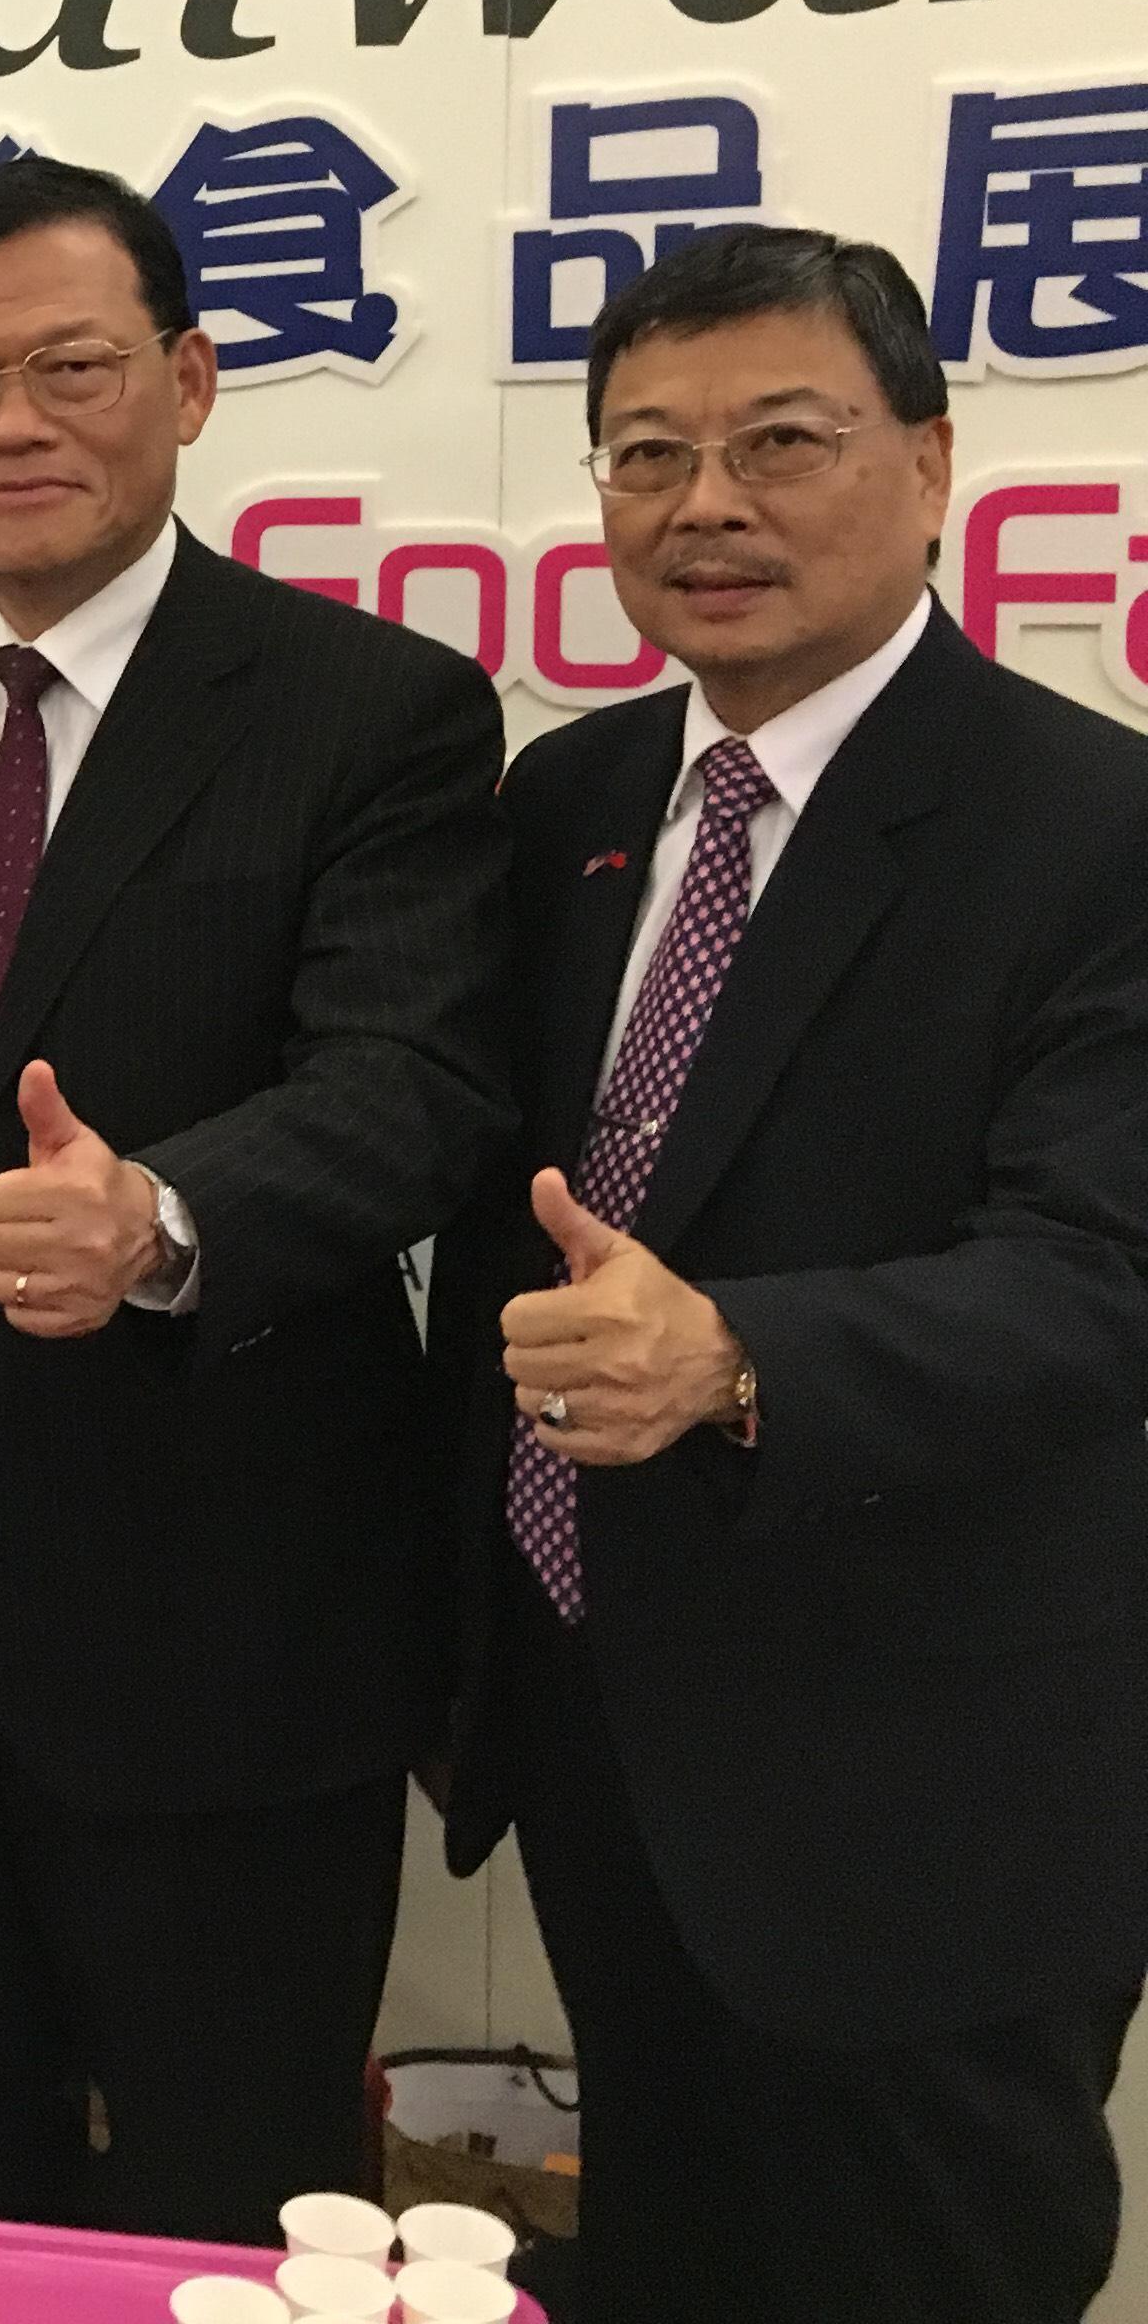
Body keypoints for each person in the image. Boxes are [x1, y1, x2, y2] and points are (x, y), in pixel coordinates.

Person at [0, 155, 508, 2241]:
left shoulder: (375, 708)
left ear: (187, 379)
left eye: (71, 368)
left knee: (217, 2198)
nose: (11, 426)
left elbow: (420, 1086)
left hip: (229, 1614)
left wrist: (164, 1215)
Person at [433, 226, 1148, 2323]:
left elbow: (1104, 1273)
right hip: (605, 1719)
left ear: (930, 463)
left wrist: (739, 1352)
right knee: (662, 2249)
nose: (707, 506)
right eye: (645, 454)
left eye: (781, 442)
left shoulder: (1093, 824)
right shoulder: (569, 798)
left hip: (929, 1778)